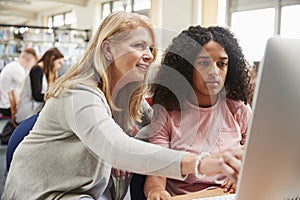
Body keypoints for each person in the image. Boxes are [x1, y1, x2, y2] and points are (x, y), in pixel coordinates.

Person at [2, 12, 244, 200]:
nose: (149, 55)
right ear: (108, 49)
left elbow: (160, 129)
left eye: (150, 48)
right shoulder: (77, 93)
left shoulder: (132, 103)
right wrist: (201, 162)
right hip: (46, 194)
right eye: (139, 46)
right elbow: (116, 147)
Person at [138, 25, 253, 199]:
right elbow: (156, 175)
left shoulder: (239, 109)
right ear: (186, 67)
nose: (214, 72)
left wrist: (244, 173)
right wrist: (157, 192)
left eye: (222, 64)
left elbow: (255, 156)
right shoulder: (166, 114)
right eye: (204, 63)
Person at [14, 47, 64, 124]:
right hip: (28, 114)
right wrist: (55, 96)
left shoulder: (44, 71)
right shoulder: (37, 70)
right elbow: (37, 96)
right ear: (52, 58)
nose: (59, 67)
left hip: (34, 111)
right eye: (59, 63)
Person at [0, 48, 38, 116]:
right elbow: (29, 87)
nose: (33, 66)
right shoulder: (16, 68)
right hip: (7, 107)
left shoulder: (16, 66)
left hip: (6, 104)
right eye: (33, 62)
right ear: (28, 59)